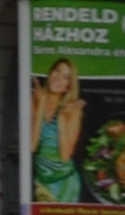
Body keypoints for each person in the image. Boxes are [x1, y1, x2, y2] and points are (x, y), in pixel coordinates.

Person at [30, 59, 85, 204]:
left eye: (66, 77)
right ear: (50, 73)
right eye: (57, 71)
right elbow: (32, 145)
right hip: (42, 181)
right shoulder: (35, 99)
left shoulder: (72, 110)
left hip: (65, 183)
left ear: (68, 87)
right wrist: (41, 104)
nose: (59, 78)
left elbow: (66, 155)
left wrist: (61, 117)